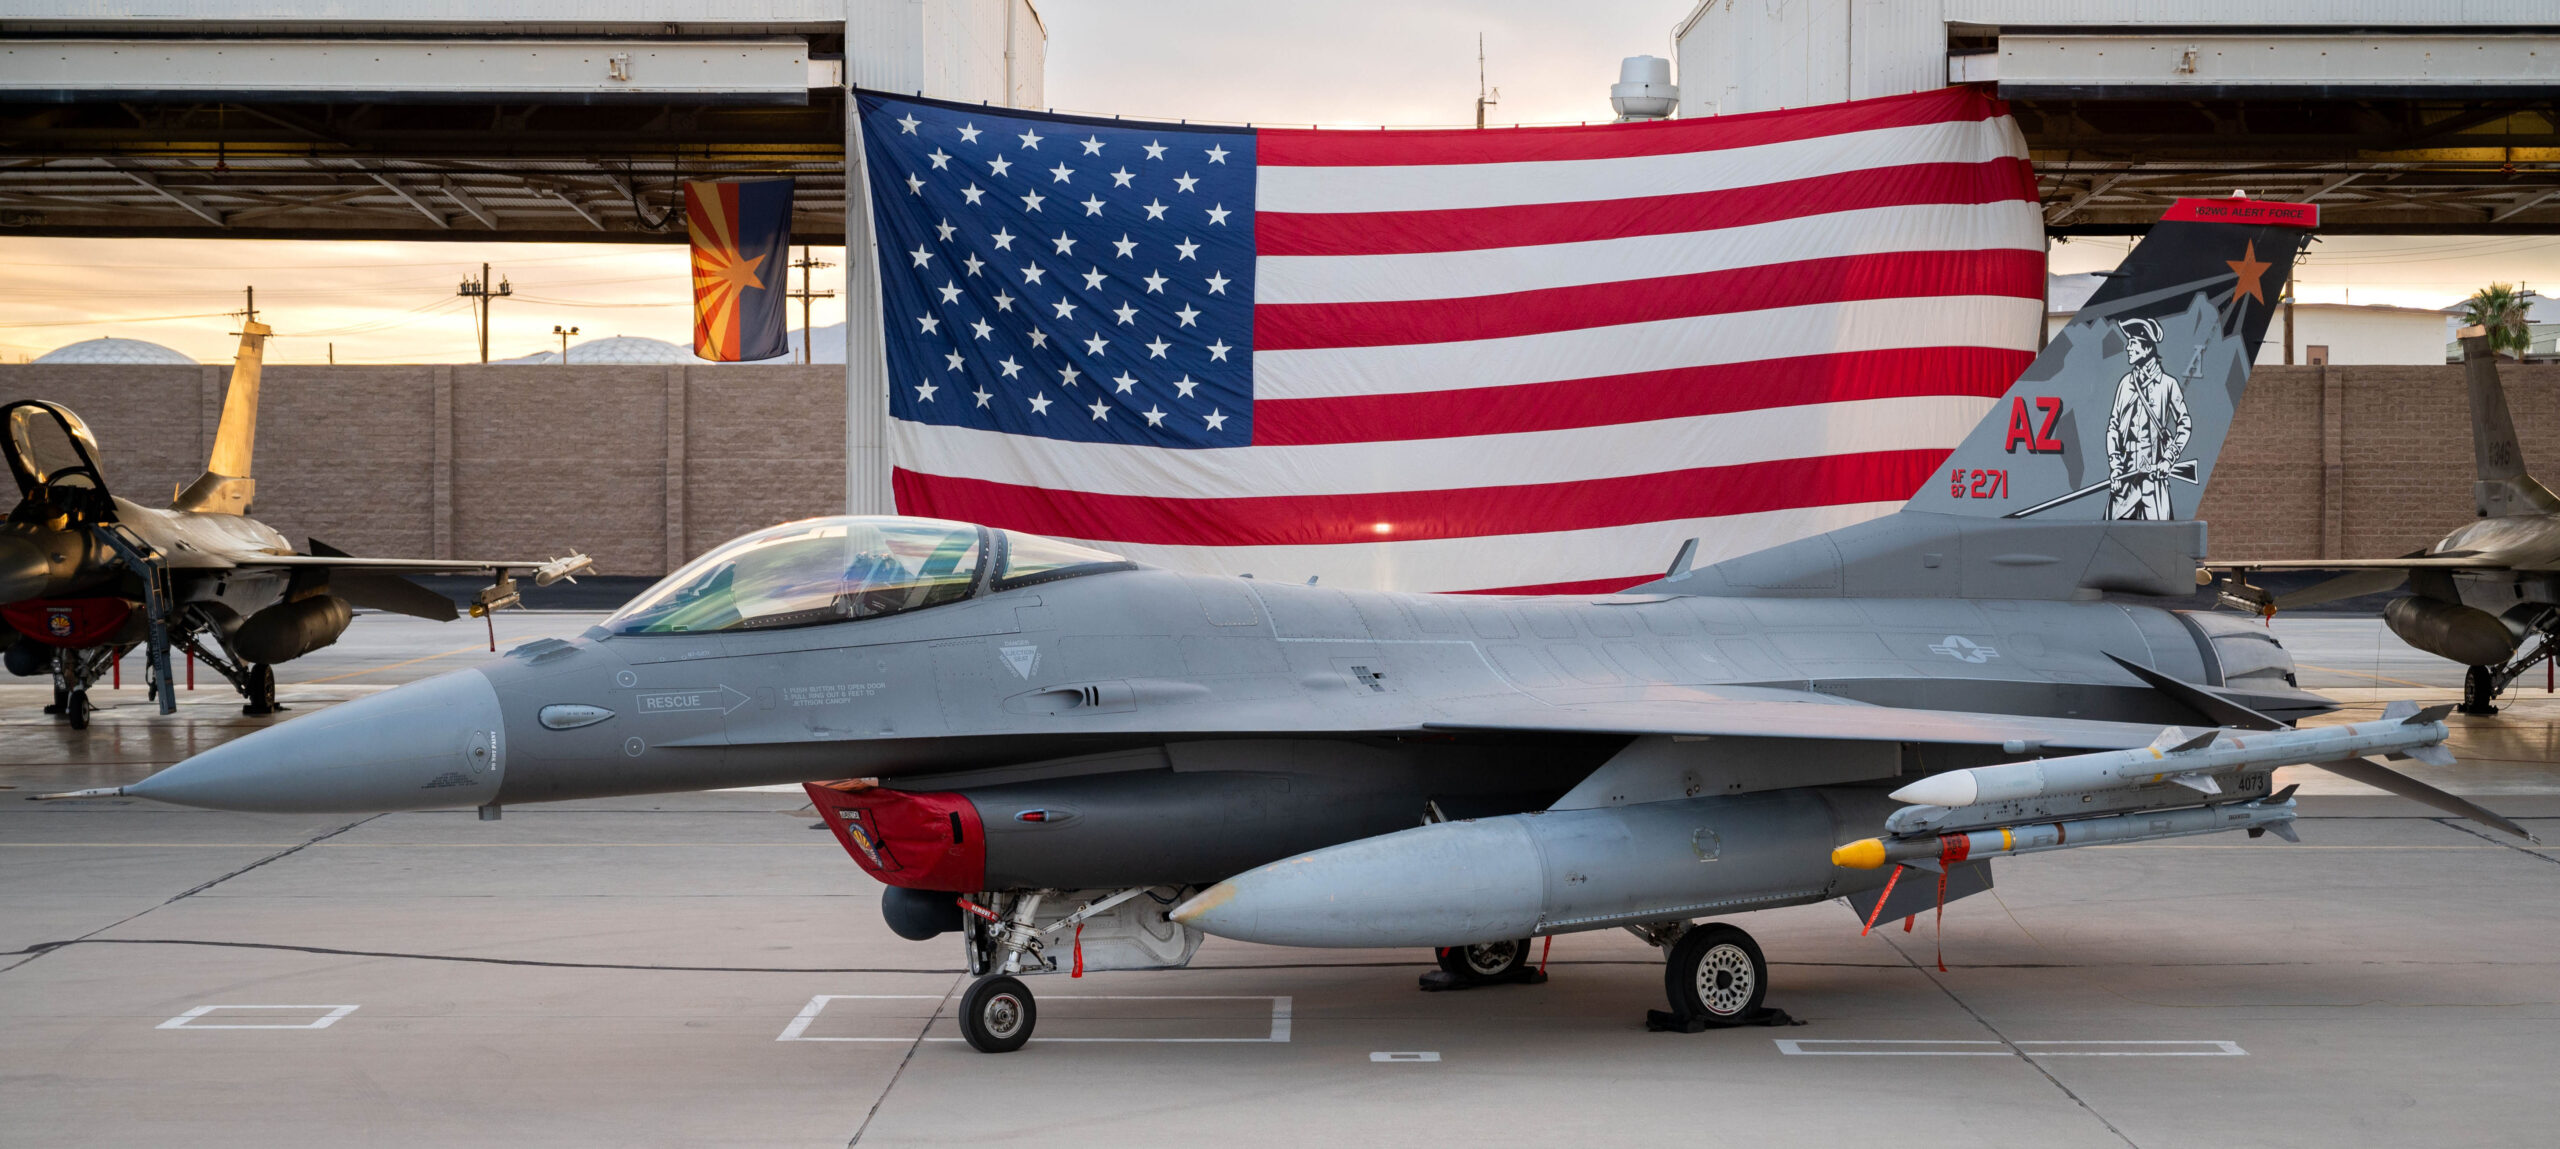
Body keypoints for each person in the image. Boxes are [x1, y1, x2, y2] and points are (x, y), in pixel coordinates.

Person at [2103, 317, 2190, 521]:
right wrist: (2115, 466)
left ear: (2147, 347)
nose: (2128, 348)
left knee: (2162, 544)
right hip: (2125, 482)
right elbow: (2113, 428)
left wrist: (2168, 460)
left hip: (2153, 481)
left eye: (2133, 343)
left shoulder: (2168, 385)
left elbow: (2185, 425)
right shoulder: (2125, 384)